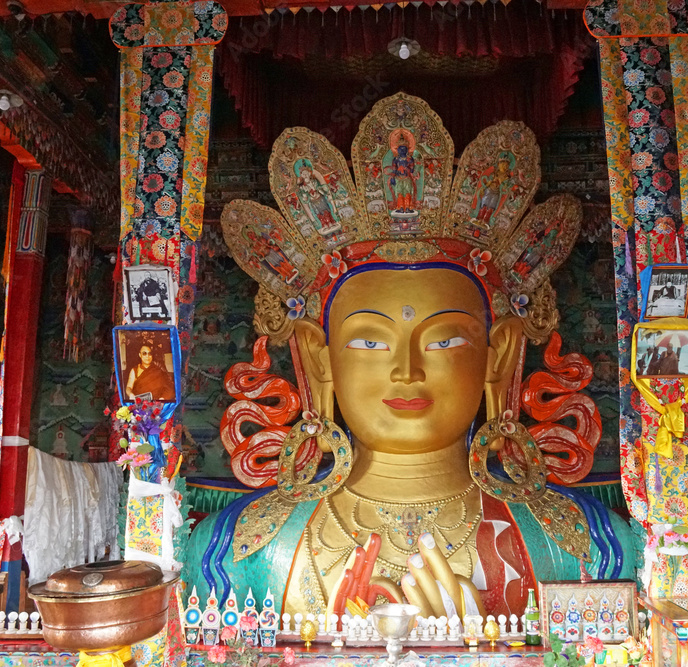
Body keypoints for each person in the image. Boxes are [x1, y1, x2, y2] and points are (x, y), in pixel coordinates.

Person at [189, 93, 639, 622]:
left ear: (499, 356)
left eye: (445, 340)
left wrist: (486, 636)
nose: (407, 369)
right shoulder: (237, 553)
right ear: (319, 359)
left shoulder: (584, 547)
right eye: (370, 342)